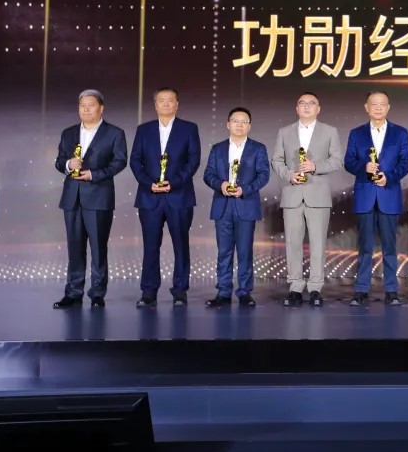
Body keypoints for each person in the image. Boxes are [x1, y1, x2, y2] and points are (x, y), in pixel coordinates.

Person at [53, 89, 128, 309]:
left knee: (98, 248)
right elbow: (59, 161)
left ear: (101, 108)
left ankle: (97, 294)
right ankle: (73, 293)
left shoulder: (114, 133)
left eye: (91, 105)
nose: (86, 109)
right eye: (82, 105)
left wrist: (94, 174)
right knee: (74, 248)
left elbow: (120, 161)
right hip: (72, 198)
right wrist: (68, 164)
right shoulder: (68, 133)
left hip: (98, 197)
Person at [129, 87, 201, 308]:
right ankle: (148, 292)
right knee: (150, 246)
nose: (166, 104)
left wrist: (175, 182)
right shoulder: (144, 130)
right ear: (155, 104)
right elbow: (135, 161)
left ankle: (180, 290)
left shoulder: (189, 128)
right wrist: (148, 183)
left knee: (181, 245)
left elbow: (193, 160)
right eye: (162, 100)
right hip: (149, 196)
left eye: (171, 100)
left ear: (177, 104)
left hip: (179, 195)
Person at [271, 92, 344, 307]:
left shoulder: (330, 131)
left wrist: (315, 166)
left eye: (311, 103)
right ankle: (295, 287)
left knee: (318, 244)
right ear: (297, 108)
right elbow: (276, 160)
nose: (306, 107)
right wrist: (288, 175)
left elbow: (337, 160)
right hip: (292, 193)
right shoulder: (284, 132)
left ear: (318, 109)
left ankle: (315, 288)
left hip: (318, 195)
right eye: (302, 103)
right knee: (292, 243)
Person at [344, 91, 408, 306]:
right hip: (365, 194)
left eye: (382, 104)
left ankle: (391, 290)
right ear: (367, 107)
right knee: (364, 246)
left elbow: (406, 162)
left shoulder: (400, 133)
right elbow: (348, 161)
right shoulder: (356, 133)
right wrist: (363, 168)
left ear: (388, 107)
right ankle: (361, 289)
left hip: (388, 193)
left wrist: (388, 177)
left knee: (390, 246)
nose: (378, 107)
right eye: (374, 104)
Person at [202, 107, 270, 307]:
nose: (239, 125)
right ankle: (223, 292)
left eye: (244, 121)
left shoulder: (258, 148)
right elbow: (208, 174)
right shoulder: (217, 148)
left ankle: (244, 292)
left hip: (245, 204)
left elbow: (264, 175)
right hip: (222, 205)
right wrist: (221, 185)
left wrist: (245, 189)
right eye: (235, 121)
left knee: (244, 251)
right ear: (228, 124)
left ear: (249, 126)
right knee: (224, 251)